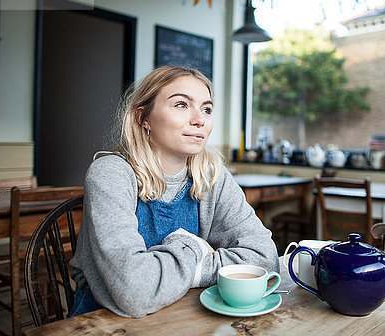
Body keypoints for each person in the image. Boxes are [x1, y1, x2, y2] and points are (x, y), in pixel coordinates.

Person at [69, 66, 279, 318]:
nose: (199, 119)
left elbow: (265, 259)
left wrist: (167, 272)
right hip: (103, 322)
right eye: (181, 104)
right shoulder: (111, 173)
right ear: (142, 118)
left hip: (185, 315)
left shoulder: (212, 175)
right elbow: (134, 291)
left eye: (207, 109)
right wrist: (196, 248)